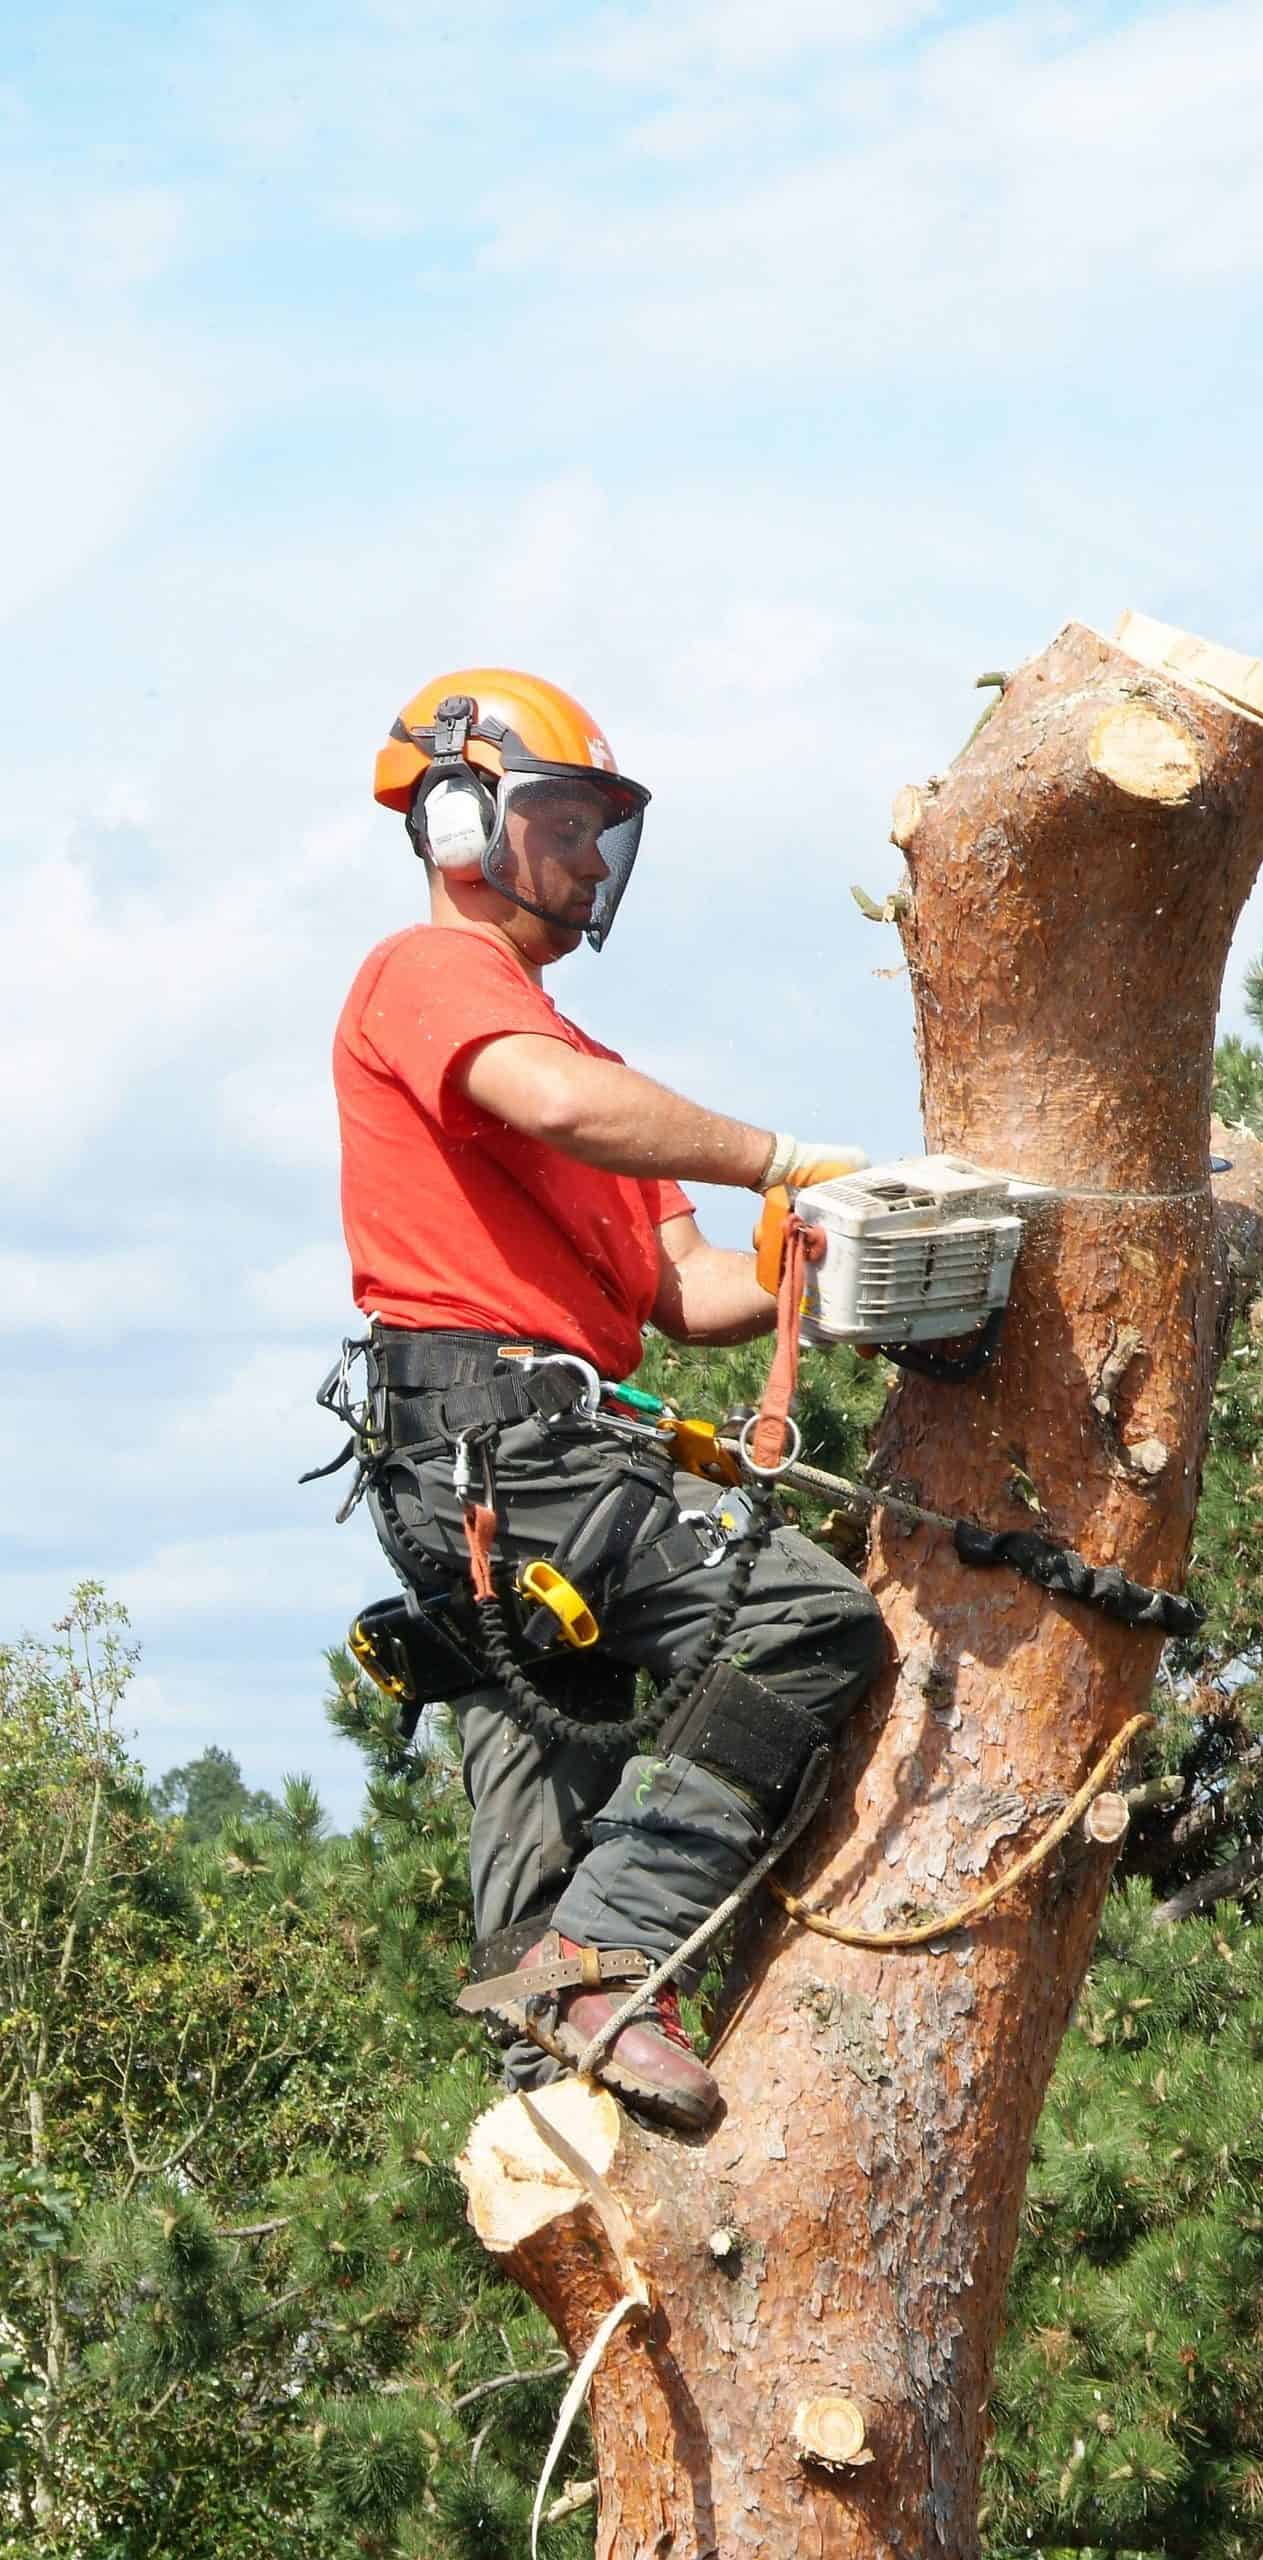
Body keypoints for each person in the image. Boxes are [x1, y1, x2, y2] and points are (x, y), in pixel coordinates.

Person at [332, 667, 885, 2130]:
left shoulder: (586, 1066)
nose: (588, 861)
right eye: (564, 823)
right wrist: (784, 1157)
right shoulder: (433, 976)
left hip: (517, 1452)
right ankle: (605, 1959)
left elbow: (686, 1294)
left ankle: (548, 2058)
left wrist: (836, 1258)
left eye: (601, 831)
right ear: (462, 822)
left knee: (557, 1736)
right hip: (499, 1436)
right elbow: (564, 1110)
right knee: (801, 1619)